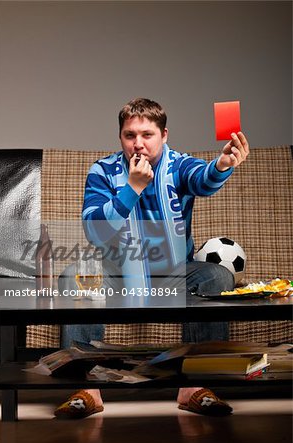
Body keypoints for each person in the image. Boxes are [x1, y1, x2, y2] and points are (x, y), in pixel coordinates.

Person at [55, 98, 249, 419]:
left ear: (164, 135)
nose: (138, 144)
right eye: (130, 135)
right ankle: (86, 389)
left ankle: (195, 386)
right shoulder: (103, 171)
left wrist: (222, 165)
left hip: (175, 272)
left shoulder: (178, 165)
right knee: (73, 275)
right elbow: (96, 231)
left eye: (147, 135)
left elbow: (202, 180)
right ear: (120, 137)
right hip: (117, 273)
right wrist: (132, 188)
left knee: (217, 276)